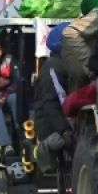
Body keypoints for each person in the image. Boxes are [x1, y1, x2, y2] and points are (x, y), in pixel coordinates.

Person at [32, 23, 71, 172]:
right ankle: (44, 150)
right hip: (52, 127)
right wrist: (64, 131)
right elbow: (51, 104)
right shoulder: (53, 68)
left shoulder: (61, 65)